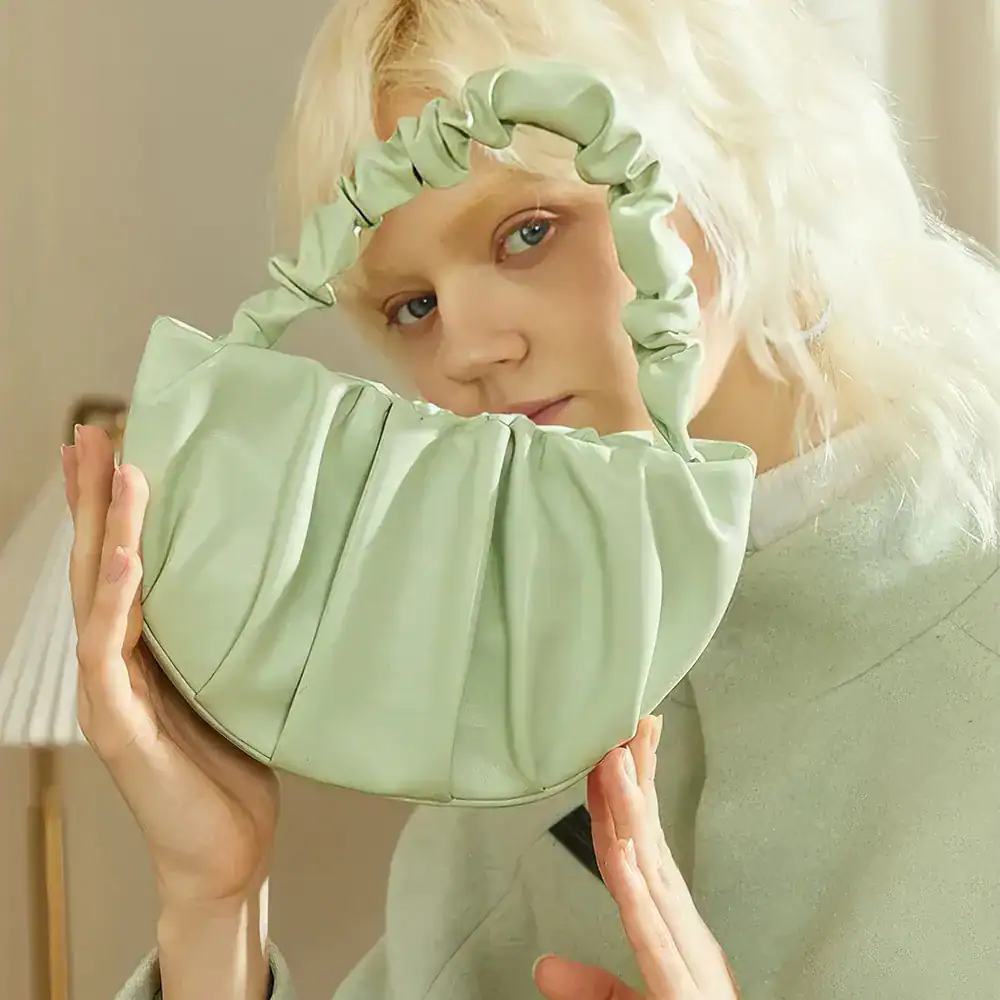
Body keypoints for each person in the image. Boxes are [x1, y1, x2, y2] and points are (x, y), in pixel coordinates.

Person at [65, 0, 1000, 997]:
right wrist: (212, 898)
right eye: (411, 305)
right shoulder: (520, 714)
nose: (464, 351)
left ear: (724, 156)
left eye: (527, 232)